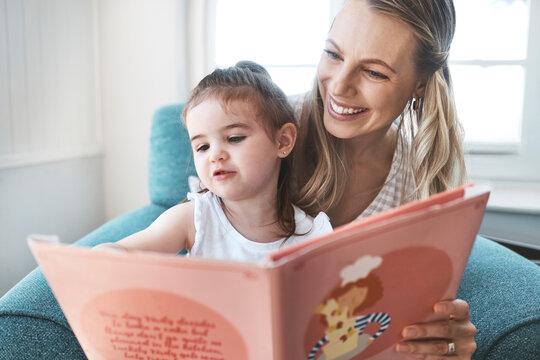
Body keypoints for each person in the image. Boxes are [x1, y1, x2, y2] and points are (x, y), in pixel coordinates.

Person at [293, 0, 476, 358]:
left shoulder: (419, 184)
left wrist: (444, 343)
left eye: (374, 73)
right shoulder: (265, 133)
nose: (340, 86)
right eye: (332, 54)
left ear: (420, 84)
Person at [94, 61, 332, 263]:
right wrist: (103, 257)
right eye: (202, 147)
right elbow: (121, 252)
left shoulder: (311, 233)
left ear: (282, 142)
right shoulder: (193, 218)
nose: (215, 155)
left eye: (234, 138)